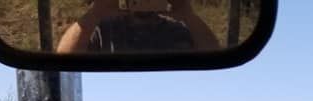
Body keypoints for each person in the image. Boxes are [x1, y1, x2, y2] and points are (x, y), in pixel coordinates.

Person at [57, 0, 221, 54]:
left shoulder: (178, 31)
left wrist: (187, 14)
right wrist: (96, 12)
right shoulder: (102, 30)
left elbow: (214, 55)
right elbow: (64, 59)